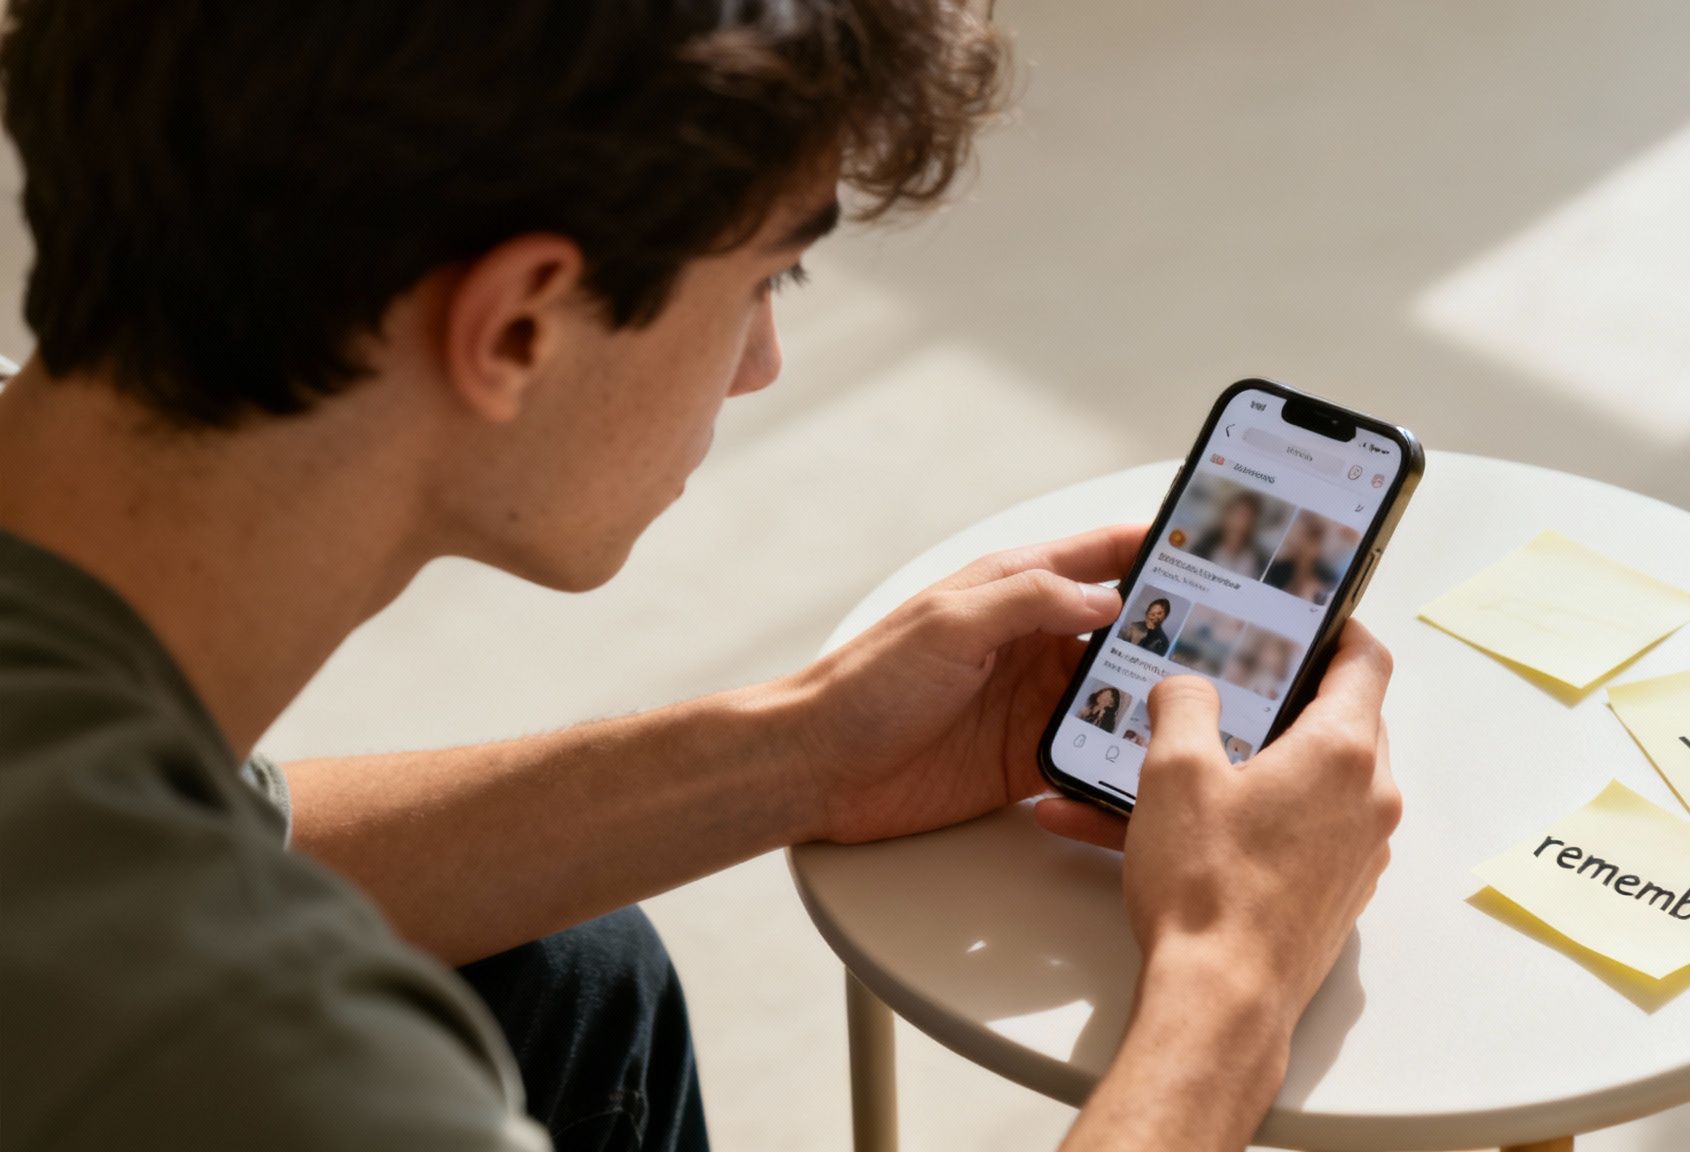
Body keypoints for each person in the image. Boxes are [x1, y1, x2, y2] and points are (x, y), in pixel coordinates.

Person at [0, 3, 1401, 1151]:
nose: (760, 365)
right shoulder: (247, 1050)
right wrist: (1229, 987)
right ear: (519, 326)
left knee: (573, 979)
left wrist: (803, 755)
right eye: (766, 282)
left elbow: (227, 839)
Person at [1190, 490, 1273, 578]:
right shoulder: (1201, 545)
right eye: (1237, 514)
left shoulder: (1258, 561)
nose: (1240, 523)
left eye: (1247, 517)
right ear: (1227, 515)